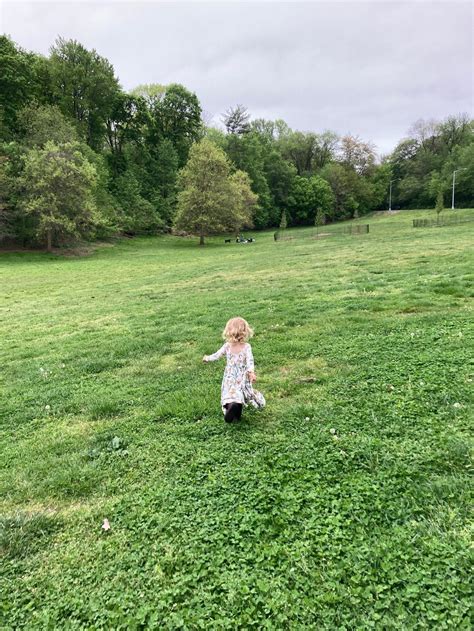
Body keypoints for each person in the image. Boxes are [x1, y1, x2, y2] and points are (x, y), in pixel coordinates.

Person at [203, 317, 266, 422]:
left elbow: (217, 355)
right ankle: (236, 411)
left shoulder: (228, 346)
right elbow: (250, 361)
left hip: (230, 376)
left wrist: (207, 358)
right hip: (242, 376)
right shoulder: (246, 346)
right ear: (245, 332)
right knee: (240, 394)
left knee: (229, 393)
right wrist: (251, 372)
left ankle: (230, 408)